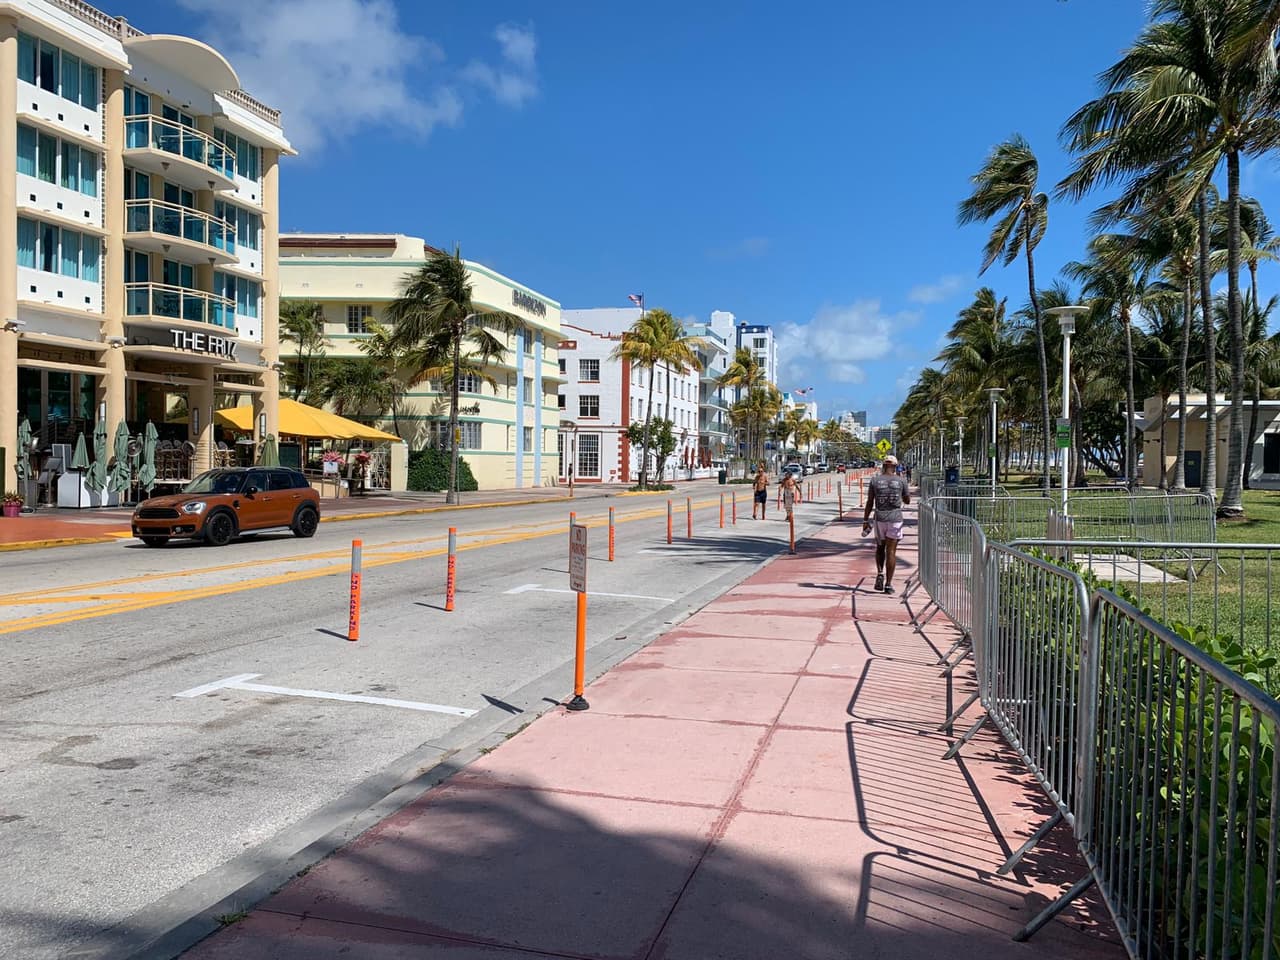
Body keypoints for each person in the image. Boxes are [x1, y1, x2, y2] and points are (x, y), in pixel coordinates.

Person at [862, 454, 910, 594]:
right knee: (891, 551)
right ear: (895, 466)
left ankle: (880, 572)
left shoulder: (875, 480)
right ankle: (888, 584)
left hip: (879, 518)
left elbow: (870, 502)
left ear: (883, 466)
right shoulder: (901, 480)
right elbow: (907, 500)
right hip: (895, 518)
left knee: (880, 547)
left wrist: (865, 520)